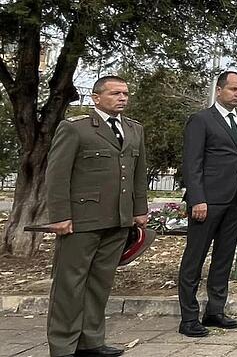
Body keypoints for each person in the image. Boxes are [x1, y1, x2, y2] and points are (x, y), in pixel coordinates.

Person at [44, 76, 148, 357]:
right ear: (96, 98)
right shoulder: (75, 128)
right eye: (115, 93)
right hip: (81, 220)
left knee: (100, 283)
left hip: (118, 219)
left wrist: (139, 210)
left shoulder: (134, 129)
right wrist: (60, 215)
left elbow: (139, 174)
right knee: (70, 284)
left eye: (125, 93)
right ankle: (63, 346)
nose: (122, 98)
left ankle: (91, 342)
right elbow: (57, 175)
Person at [177, 70, 237, 337]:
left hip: (235, 200)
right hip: (208, 201)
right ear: (219, 90)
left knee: (224, 258)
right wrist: (197, 198)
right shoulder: (201, 120)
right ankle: (189, 318)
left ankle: (215, 311)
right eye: (233, 89)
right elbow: (192, 163)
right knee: (194, 259)